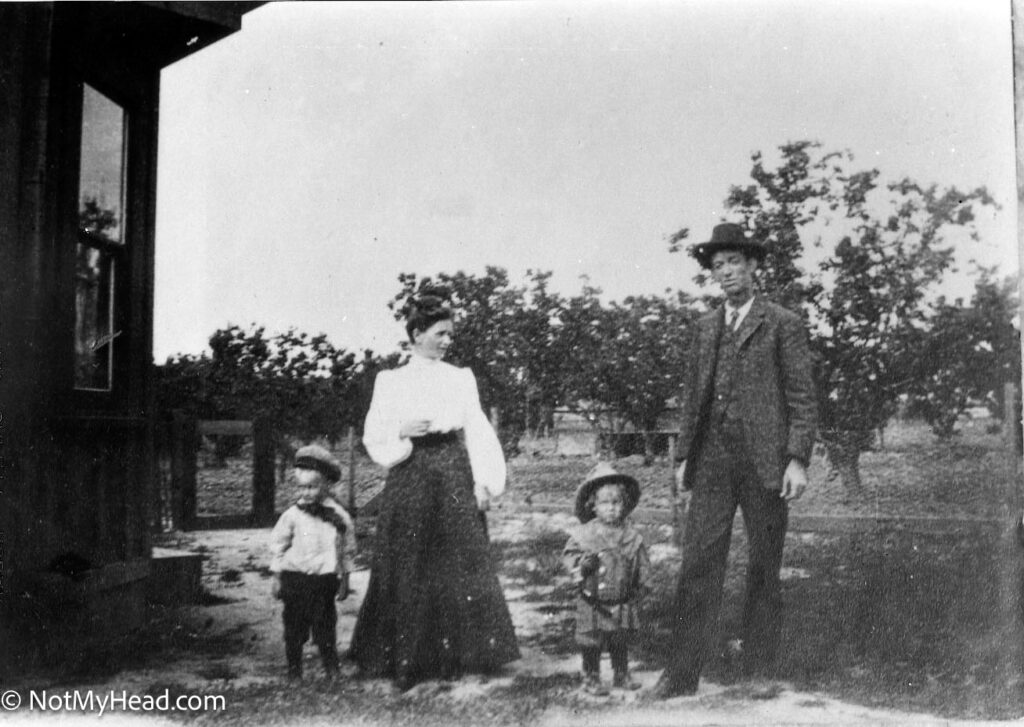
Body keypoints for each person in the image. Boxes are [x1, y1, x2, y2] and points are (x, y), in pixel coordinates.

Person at [650, 223, 818, 698]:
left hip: (766, 463)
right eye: (717, 265)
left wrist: (796, 459)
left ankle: (759, 668)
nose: (725, 272)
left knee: (765, 564)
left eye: (733, 263)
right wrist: (685, 454)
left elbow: (802, 397)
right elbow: (692, 398)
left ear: (753, 266)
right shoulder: (705, 328)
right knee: (699, 563)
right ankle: (680, 673)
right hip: (714, 461)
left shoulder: (782, 323)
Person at [349, 286, 519, 691]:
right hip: (410, 472)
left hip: (452, 471)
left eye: (449, 334)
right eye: (440, 333)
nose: (447, 340)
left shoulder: (460, 378)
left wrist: (483, 481)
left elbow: (476, 428)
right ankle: (406, 659)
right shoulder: (390, 381)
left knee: (458, 560)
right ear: (416, 333)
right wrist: (400, 431)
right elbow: (375, 434)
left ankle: (463, 656)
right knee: (409, 559)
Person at [269, 444, 356, 681]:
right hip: (295, 580)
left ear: (327, 484)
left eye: (312, 487)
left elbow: (348, 551)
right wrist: (277, 578)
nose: (306, 493)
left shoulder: (340, 517)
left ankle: (332, 668)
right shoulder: (292, 515)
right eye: (302, 487)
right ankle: (294, 670)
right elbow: (278, 545)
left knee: (325, 627)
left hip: (323, 582)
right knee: (293, 629)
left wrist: (345, 580)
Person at [563, 463, 650, 696]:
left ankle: (621, 673)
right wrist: (581, 565)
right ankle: (590, 676)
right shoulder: (585, 534)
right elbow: (570, 556)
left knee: (618, 638)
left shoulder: (631, 536)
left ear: (625, 505)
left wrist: (642, 583)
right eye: (604, 503)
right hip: (592, 599)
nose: (611, 508)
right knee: (591, 640)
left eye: (616, 503)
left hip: (621, 598)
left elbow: (641, 561)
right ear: (593, 505)